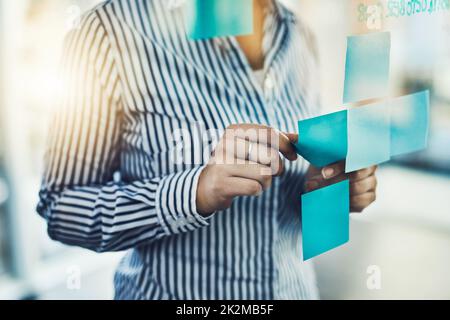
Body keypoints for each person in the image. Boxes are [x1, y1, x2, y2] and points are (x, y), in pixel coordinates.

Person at [37, 0, 377, 299]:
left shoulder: (301, 37)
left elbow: (291, 214)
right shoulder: (107, 33)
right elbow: (61, 209)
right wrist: (195, 191)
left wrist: (327, 191)